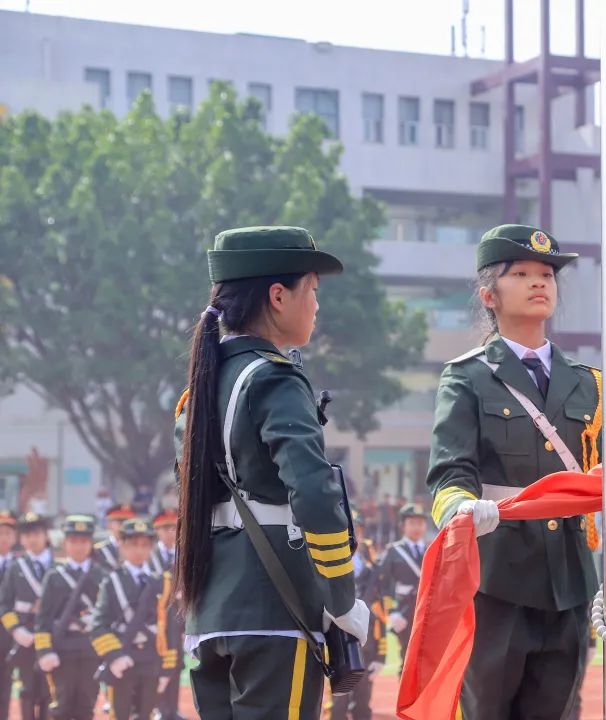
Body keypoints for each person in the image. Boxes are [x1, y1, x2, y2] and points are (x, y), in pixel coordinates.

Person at [173, 226, 366, 719]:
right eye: (312, 292)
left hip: (209, 615)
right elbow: (316, 495)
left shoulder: (195, 395)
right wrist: (341, 598)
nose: (317, 307)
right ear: (278, 296)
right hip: (277, 612)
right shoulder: (275, 377)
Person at [426, 224, 601, 720]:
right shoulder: (467, 377)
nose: (539, 282)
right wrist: (461, 508)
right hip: (496, 579)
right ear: (489, 295)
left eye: (546, 274)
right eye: (521, 273)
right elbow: (448, 472)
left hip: (567, 582)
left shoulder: (589, 385)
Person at [88, 518, 164, 720]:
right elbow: (97, 625)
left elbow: (171, 627)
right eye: (133, 544)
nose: (139, 550)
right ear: (121, 545)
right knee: (120, 714)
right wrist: (114, 655)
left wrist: (168, 666)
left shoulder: (161, 581)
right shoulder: (111, 582)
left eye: (144, 545)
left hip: (151, 660)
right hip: (122, 658)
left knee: (146, 714)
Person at [34, 514, 104, 720]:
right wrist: (45, 651)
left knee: (86, 706)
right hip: (61, 651)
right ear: (64, 543)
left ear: (91, 543)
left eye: (84, 541)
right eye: (73, 541)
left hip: (91, 650)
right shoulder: (54, 576)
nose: (79, 546)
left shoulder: (102, 575)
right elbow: (43, 618)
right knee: (60, 707)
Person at [328, 514, 386, 720]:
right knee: (338, 701)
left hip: (366, 642)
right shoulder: (328, 563)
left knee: (363, 700)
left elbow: (380, 614)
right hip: (337, 641)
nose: (353, 533)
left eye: (357, 529)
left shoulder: (371, 569)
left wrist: (382, 654)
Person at [0, 513, 54, 720]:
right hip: (24, 638)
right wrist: (16, 630)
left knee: (49, 691)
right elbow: (4, 604)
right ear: (21, 539)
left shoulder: (58, 566)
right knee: (26, 691)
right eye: (27, 534)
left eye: (37, 533)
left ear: (46, 535)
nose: (32, 539)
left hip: (50, 637)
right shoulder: (16, 568)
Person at [376, 504, 427, 672]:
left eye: (420, 523)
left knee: (427, 658)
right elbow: (383, 585)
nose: (417, 527)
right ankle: (406, 697)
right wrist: (392, 612)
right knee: (407, 657)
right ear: (403, 526)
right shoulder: (394, 551)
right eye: (412, 523)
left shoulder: (432, 548)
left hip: (427, 610)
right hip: (404, 611)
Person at [148, 509, 184, 719]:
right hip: (158, 619)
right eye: (164, 528)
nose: (170, 532)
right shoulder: (150, 556)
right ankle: (158, 707)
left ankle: (172, 708)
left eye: (173, 527)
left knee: (177, 662)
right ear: (156, 531)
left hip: (179, 618)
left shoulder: (184, 552)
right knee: (158, 663)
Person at [0, 510, 18, 719]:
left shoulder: (21, 566)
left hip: (11, 633)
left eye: (7, 533)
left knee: (6, 683)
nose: (3, 538)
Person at [93, 505, 135, 571]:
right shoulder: (99, 551)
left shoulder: (139, 548)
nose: (124, 526)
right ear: (109, 525)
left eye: (128, 523)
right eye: (120, 522)